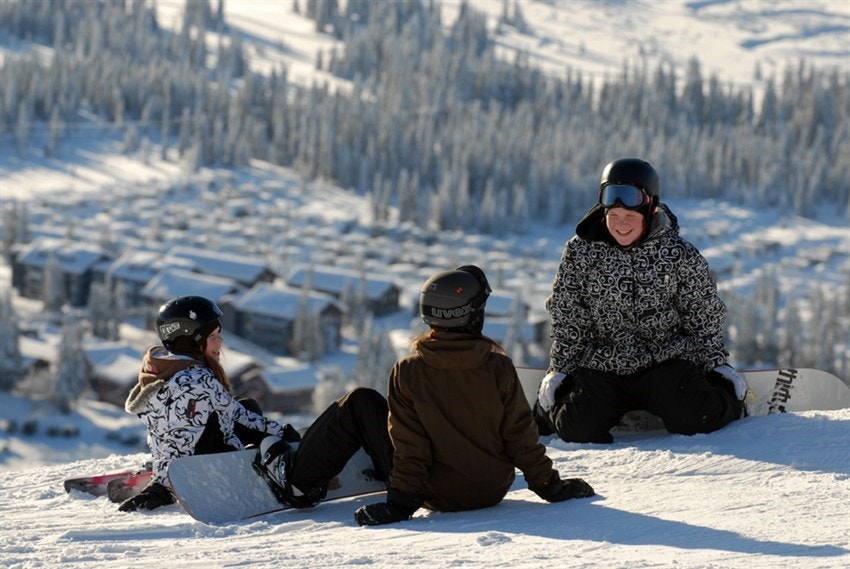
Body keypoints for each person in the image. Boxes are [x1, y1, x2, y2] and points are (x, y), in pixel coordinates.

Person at [354, 266, 594, 527]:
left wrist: (400, 504)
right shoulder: (498, 366)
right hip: (491, 490)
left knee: (359, 404)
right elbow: (520, 435)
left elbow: (411, 445)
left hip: (436, 496)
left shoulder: (407, 371)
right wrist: (551, 487)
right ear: (472, 316)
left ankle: (305, 485)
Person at [533, 158, 748, 445]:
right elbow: (569, 314)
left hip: (665, 362)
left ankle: (724, 399)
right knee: (577, 429)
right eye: (614, 215)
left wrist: (715, 364)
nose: (621, 225)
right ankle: (548, 409)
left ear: (651, 209)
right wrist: (560, 368)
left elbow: (702, 312)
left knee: (698, 419)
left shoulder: (677, 254)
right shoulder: (581, 251)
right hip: (603, 363)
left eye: (630, 217)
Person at [120, 295, 392, 512]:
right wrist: (280, 432)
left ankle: (166, 473)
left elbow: (168, 430)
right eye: (213, 335)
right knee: (256, 419)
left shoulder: (159, 370)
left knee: (247, 403)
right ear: (193, 339)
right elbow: (237, 417)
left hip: (183, 457)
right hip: (214, 462)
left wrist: (163, 474)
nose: (220, 342)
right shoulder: (199, 378)